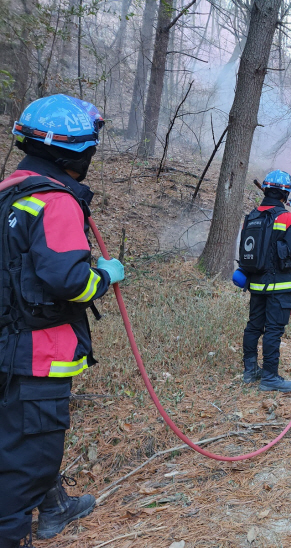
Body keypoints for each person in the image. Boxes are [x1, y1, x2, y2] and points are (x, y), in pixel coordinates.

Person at [0, 95, 125, 547]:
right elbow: (71, 281)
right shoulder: (55, 202)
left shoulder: (9, 192)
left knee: (19, 441)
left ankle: (53, 507)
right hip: (39, 356)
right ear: (77, 152)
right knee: (29, 457)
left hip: (8, 348)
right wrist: (104, 277)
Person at [238, 170, 291, 393]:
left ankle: (250, 371)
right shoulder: (287, 217)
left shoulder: (252, 215)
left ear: (266, 190)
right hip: (279, 286)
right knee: (274, 330)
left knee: (254, 326)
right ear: (285, 194)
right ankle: (270, 378)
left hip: (255, 284)